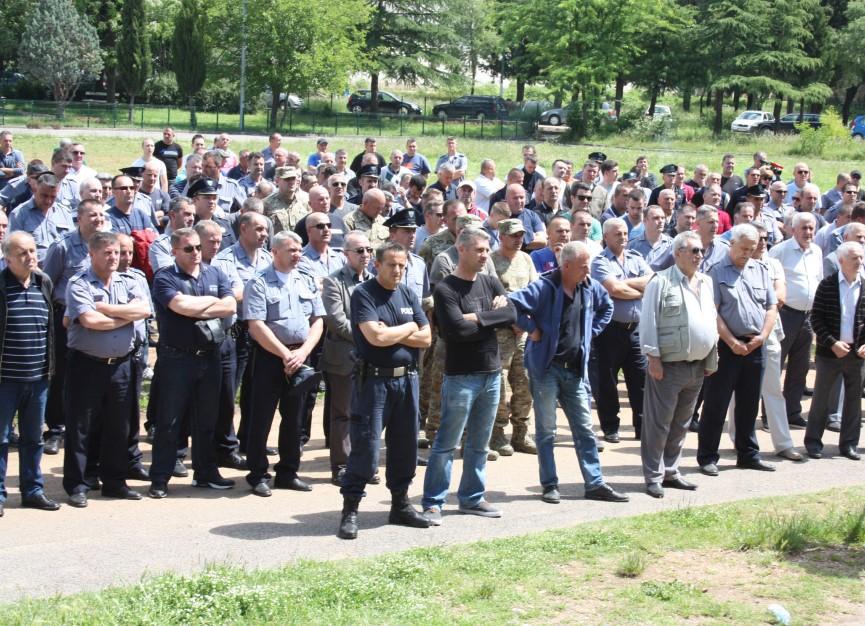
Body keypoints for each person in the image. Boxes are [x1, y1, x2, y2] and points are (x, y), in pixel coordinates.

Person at [509, 242, 628, 504]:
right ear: (566, 266)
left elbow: (606, 307)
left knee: (585, 430)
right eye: (584, 265)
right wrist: (532, 329)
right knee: (546, 431)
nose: (588, 270)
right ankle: (550, 484)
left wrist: (590, 333)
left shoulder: (589, 286)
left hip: (575, 370)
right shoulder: (544, 286)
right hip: (546, 370)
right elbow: (512, 305)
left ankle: (595, 483)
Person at [337, 241, 432, 539]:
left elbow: (427, 337)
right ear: (377, 264)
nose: (398, 270)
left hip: (407, 380)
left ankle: (400, 505)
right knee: (365, 446)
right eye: (392, 264)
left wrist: (396, 332)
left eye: (402, 265)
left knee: (404, 446)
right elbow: (375, 337)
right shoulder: (364, 294)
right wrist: (408, 329)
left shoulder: (407, 293)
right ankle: (351, 509)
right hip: (374, 382)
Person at [422, 227, 517, 524]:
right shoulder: (446, 289)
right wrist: (491, 317)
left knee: (479, 443)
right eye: (479, 250)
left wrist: (476, 317)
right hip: (461, 376)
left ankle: (472, 498)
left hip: (491, 374)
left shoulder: (489, 282)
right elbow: (456, 331)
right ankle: (433, 501)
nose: (484, 255)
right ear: (461, 250)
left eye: (487, 250)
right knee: (447, 442)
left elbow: (512, 314)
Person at [62, 232, 151, 507]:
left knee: (119, 426)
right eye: (108, 253)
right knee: (81, 426)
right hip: (87, 364)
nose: (114, 258)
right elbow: (90, 321)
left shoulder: (129, 280)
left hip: (121, 365)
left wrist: (105, 308)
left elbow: (144, 310)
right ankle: (78, 484)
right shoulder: (78, 283)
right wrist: (124, 318)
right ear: (92, 254)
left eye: (116, 252)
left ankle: (115, 482)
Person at [148, 228, 237, 499]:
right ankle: (160, 478)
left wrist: (202, 305)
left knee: (208, 418)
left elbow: (230, 306)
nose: (196, 253)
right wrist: (212, 302)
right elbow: (179, 306)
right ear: (175, 251)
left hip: (210, 357)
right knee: (170, 421)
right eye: (188, 249)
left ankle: (206, 472)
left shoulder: (215, 272)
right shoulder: (165, 276)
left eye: (198, 247)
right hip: (177, 358)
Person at [243, 232, 324, 496]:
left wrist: (302, 353)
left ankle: (288, 472)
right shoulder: (258, 282)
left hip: (300, 356)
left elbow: (318, 320)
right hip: (269, 357)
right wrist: (284, 355)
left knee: (295, 418)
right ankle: (257, 474)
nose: (297, 255)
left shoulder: (306, 279)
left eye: (299, 250)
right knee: (261, 417)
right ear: (274, 252)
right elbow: (256, 325)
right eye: (291, 250)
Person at [639, 232, 718, 499]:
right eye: (694, 251)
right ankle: (653, 476)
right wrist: (653, 358)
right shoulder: (660, 282)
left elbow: (710, 320)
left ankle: (671, 471)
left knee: (682, 423)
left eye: (700, 251)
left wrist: (710, 358)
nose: (699, 256)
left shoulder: (706, 282)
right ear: (678, 253)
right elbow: (648, 322)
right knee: (658, 423)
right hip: (669, 366)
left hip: (697, 366)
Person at [698, 224, 778, 475]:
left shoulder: (760, 270)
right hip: (726, 347)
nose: (747, 253)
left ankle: (748, 454)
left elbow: (770, 307)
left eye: (752, 249)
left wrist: (762, 337)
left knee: (749, 403)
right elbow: (713, 311)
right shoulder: (715, 271)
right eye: (743, 248)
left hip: (755, 345)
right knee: (716, 403)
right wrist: (732, 342)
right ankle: (708, 456)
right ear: (731, 243)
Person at [0, 232, 61, 516]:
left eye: (33, 250)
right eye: (22, 252)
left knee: (33, 438)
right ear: (8, 258)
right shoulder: (1, 285)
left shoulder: (43, 282)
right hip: (5, 379)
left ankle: (32, 490)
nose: (30, 257)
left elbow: (50, 329)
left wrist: (49, 370)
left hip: (38, 378)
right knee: (1, 439)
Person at [590, 218, 652, 442]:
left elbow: (652, 282)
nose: (623, 237)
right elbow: (613, 289)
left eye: (625, 233)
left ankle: (642, 427)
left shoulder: (636, 257)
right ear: (606, 237)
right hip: (610, 331)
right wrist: (639, 290)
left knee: (640, 380)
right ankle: (610, 427)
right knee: (607, 381)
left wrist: (626, 284)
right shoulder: (599, 261)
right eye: (617, 234)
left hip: (636, 330)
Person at [805, 241, 865, 461]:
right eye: (854, 258)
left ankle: (849, 444)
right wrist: (832, 343)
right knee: (821, 399)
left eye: (861, 257)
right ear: (841, 261)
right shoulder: (828, 285)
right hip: (829, 354)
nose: (859, 262)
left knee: (853, 401)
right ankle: (813, 442)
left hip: (857, 355)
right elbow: (816, 318)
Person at [769, 212, 822, 429]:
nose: (808, 232)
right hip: (786, 315)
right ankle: (770, 416)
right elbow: (769, 279)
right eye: (804, 228)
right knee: (776, 366)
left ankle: (792, 412)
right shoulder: (780, 251)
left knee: (800, 368)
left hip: (808, 316)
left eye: (811, 228)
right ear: (793, 229)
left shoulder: (817, 251)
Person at [489, 219, 539, 456]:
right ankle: (497, 433)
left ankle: (521, 433)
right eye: (513, 235)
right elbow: (490, 297)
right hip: (499, 334)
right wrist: (512, 319)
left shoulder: (526, 260)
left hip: (523, 334)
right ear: (501, 236)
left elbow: (534, 292)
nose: (518, 240)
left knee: (525, 382)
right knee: (499, 386)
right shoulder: (490, 260)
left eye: (521, 235)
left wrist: (525, 320)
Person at [8, 172, 74, 264]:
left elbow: (72, 245)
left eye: (53, 197)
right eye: (44, 195)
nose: (48, 201)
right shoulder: (19, 214)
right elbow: (12, 248)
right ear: (34, 190)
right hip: (33, 271)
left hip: (61, 271)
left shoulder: (64, 213)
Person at [629, 205, 674, 271]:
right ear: (644, 221)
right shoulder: (632, 246)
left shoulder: (672, 245)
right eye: (656, 218)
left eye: (663, 218)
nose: (661, 221)